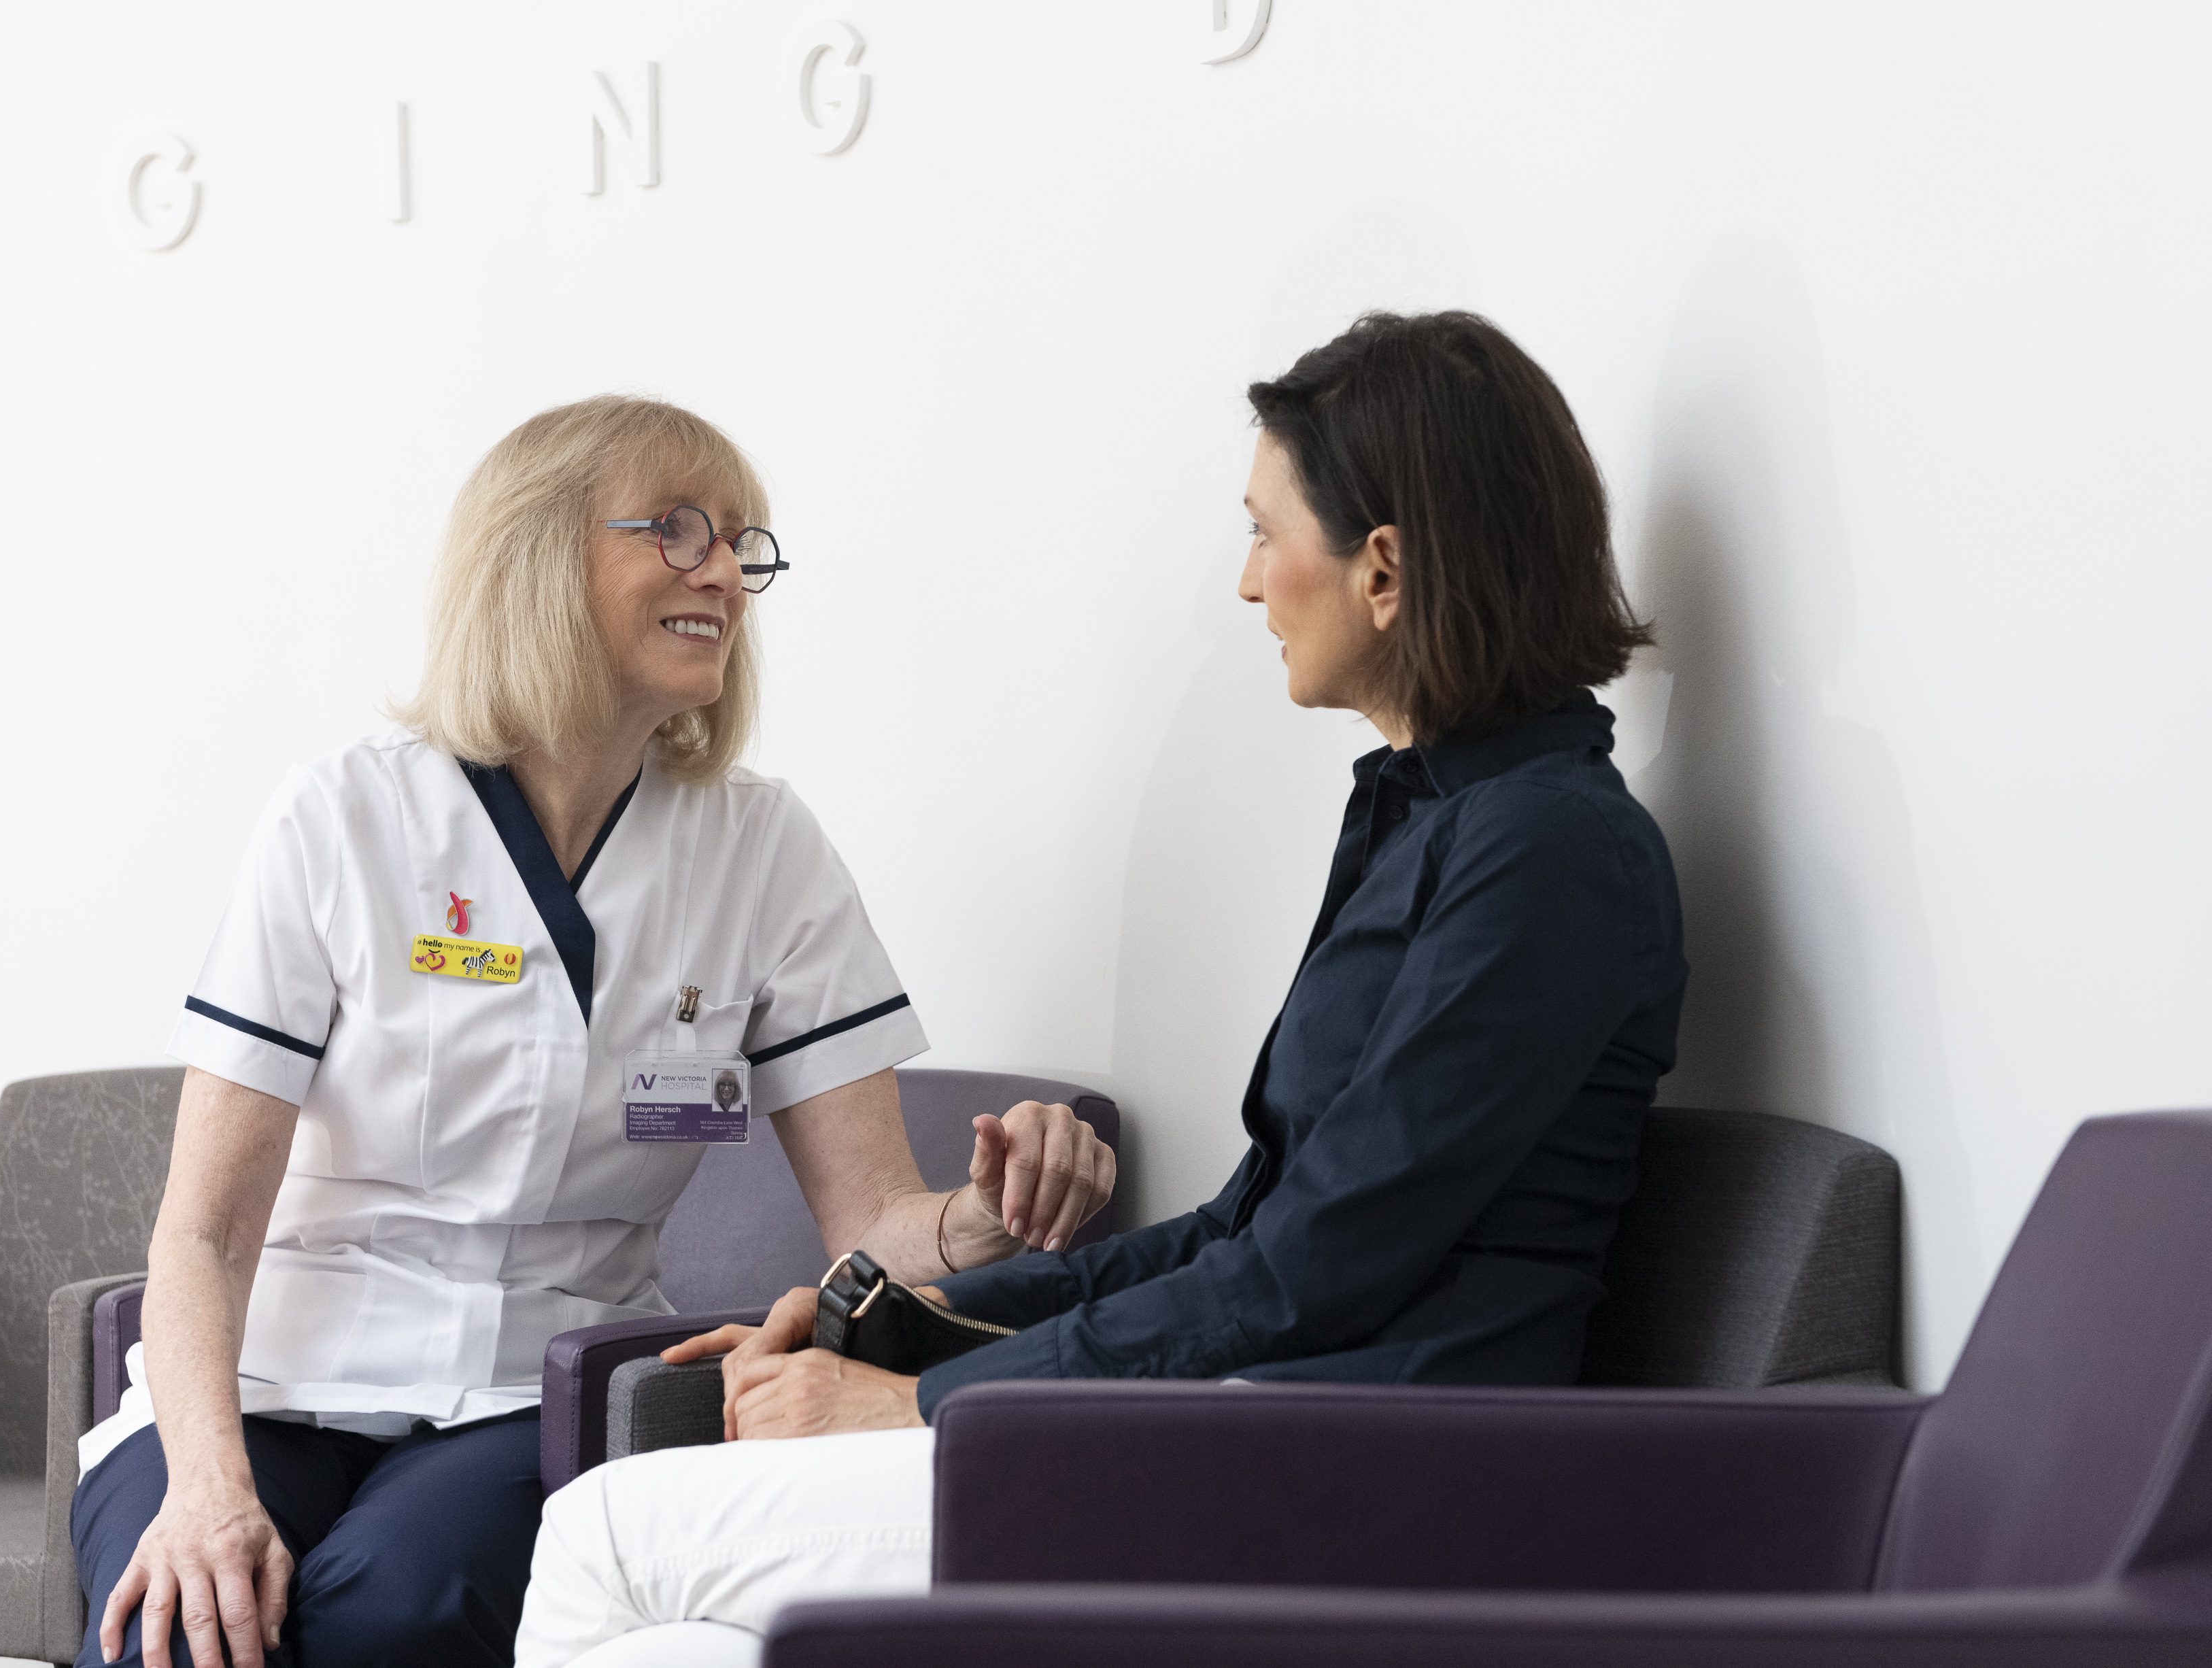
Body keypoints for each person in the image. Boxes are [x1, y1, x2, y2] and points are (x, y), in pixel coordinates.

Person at [513, 312, 1690, 1667]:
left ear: (1384, 568)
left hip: (1354, 1470)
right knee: (681, 1648)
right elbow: (1249, 1227)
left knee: (607, 1536)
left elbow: (1320, 1268)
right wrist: (878, 1325)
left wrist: (920, 1404)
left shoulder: (1548, 850)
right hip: (1261, 1420)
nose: (1247, 585)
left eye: (1264, 531)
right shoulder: (1430, 823)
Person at [70, 396, 1117, 1668]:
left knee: (389, 1609)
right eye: (678, 533)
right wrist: (207, 1491)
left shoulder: (761, 852)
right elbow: (205, 1228)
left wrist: (991, 1211)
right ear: (538, 561)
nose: (725, 574)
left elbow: (876, 1226)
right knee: (185, 1625)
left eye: (741, 544)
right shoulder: (342, 820)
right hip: (269, 1381)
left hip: (537, 1386)